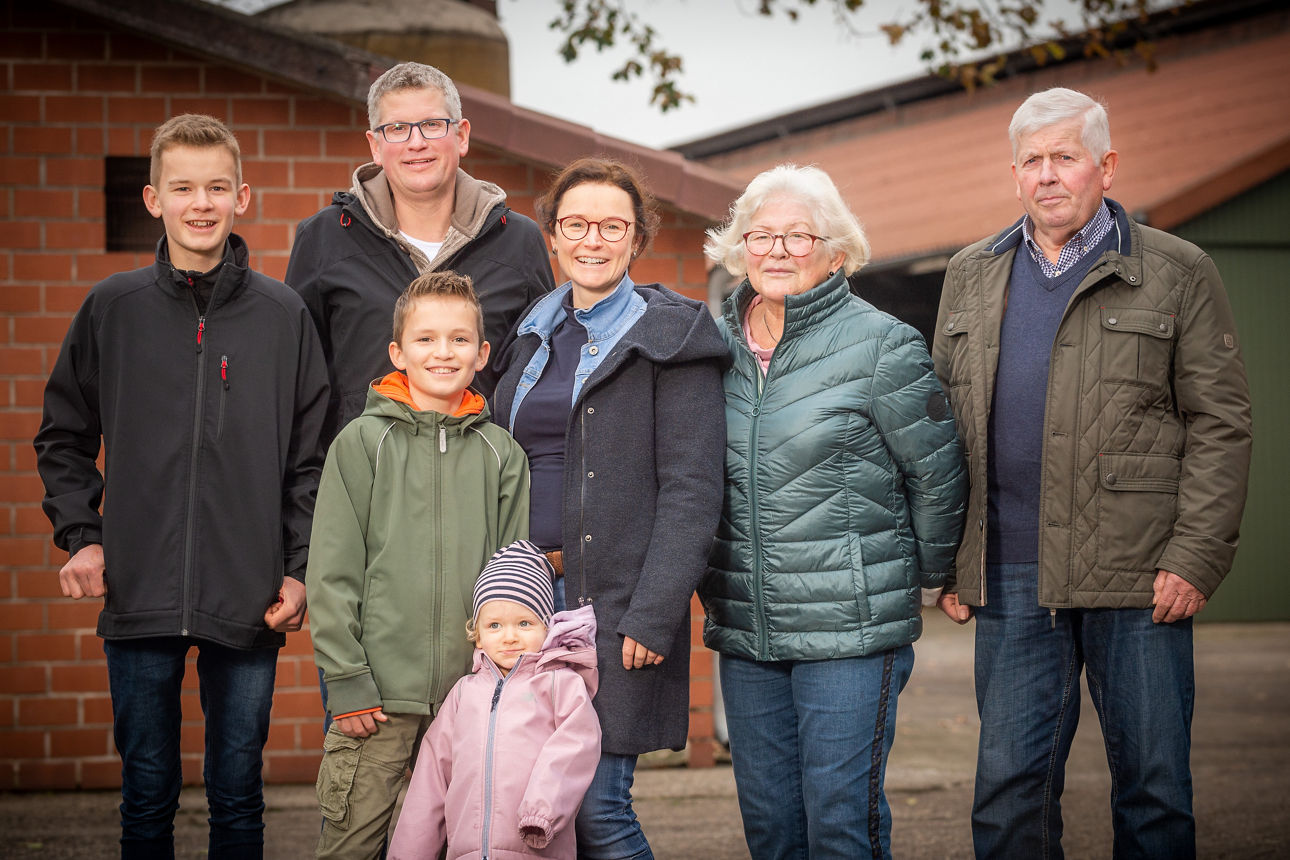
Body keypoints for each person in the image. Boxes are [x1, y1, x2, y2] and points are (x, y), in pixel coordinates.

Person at [932, 87, 1252, 859]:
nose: (1048, 175)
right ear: (1015, 174)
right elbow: (942, 425)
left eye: (1065, 157)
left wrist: (1195, 556)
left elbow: (1221, 421)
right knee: (1007, 794)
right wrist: (946, 556)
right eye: (1032, 160)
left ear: (1105, 166)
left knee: (1152, 790)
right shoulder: (971, 273)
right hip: (1010, 576)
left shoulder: (1176, 270)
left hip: (1138, 577)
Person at [33, 114, 329, 858]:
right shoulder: (114, 308)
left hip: (249, 591)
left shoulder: (282, 315)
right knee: (147, 794)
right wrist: (83, 535)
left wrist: (299, 570)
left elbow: (310, 460)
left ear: (243, 197)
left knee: (237, 794)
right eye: (184, 188)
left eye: (217, 187)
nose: (202, 203)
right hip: (139, 589)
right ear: (153, 199)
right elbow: (63, 436)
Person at [698, 163, 968, 859]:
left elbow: (936, 476)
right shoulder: (706, 349)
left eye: (798, 236)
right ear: (738, 248)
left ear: (837, 252)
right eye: (761, 236)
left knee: (841, 823)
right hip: (747, 624)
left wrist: (925, 579)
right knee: (772, 828)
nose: (777, 251)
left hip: (850, 631)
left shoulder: (883, 344)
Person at [491, 156, 727, 860]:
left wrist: (654, 611)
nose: (593, 240)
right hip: (521, 603)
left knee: (598, 812)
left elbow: (693, 489)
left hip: (614, 606)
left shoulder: (673, 337)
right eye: (576, 225)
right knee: (533, 813)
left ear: (636, 239)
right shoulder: (528, 335)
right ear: (553, 239)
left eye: (611, 226)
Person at [307, 270, 530, 859]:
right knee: (351, 845)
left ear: (482, 354)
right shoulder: (360, 443)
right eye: (426, 339)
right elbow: (331, 573)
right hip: (376, 700)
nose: (443, 352)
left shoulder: (500, 453)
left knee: (459, 845)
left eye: (459, 340)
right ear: (397, 352)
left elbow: (514, 583)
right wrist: (346, 678)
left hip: (471, 697)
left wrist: (503, 678)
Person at [285, 60, 554, 442]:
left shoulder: (518, 242)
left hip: (482, 486)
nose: (416, 143)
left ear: (461, 136)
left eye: (432, 125)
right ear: (375, 146)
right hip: (365, 487)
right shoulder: (324, 238)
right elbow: (299, 384)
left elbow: (539, 378)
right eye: (396, 129)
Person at [388, 540, 601, 859]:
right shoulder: (463, 693)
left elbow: (576, 746)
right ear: (478, 633)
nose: (510, 636)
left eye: (524, 623)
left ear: (547, 626)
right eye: (494, 625)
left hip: (534, 843)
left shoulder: (560, 684)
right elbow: (431, 779)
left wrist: (541, 812)